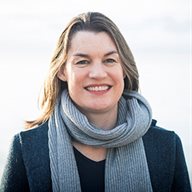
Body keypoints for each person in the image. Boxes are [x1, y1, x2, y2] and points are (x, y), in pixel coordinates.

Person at [0, 12, 191, 192]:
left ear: (124, 69)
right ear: (62, 71)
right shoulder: (27, 148)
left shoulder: (167, 146)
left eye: (109, 60)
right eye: (82, 62)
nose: (98, 74)